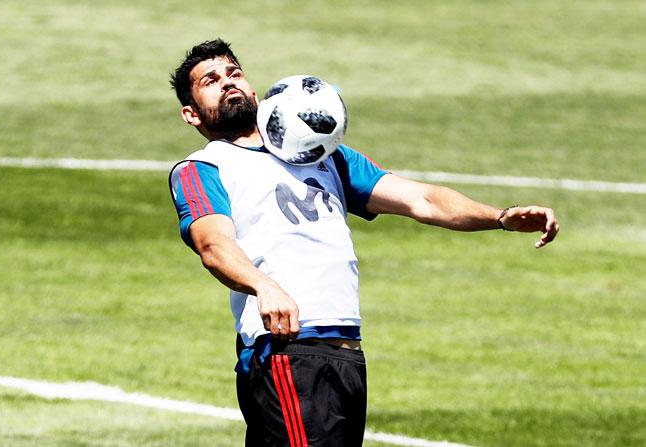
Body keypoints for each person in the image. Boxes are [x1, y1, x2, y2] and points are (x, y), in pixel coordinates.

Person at [168, 38, 559, 447]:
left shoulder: (323, 154)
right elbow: (214, 246)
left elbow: (422, 200)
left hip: (346, 353)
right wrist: (263, 285)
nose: (227, 82)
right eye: (210, 80)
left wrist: (499, 217)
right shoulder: (204, 168)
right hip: (285, 348)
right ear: (191, 113)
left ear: (253, 89)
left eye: (234, 73)